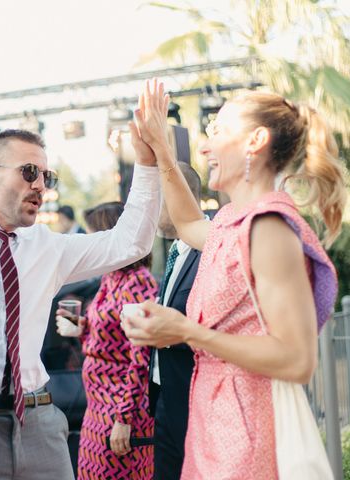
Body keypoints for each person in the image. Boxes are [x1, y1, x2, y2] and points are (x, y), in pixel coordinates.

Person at [0, 126, 160, 480]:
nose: (40, 185)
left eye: (45, 176)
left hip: (39, 421)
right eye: (29, 172)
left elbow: (131, 243)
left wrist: (147, 164)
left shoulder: (46, 245)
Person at [123, 80, 345, 478]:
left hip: (249, 436)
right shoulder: (231, 221)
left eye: (217, 133)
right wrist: (161, 152)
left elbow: (298, 360)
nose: (205, 148)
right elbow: (189, 221)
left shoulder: (270, 228)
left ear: (255, 141)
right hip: (213, 424)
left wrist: (188, 331)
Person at [55, 201, 158, 480]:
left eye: (96, 235)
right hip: (96, 406)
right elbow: (109, 332)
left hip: (119, 408)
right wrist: (82, 327)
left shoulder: (138, 281)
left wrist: (124, 419)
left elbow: (141, 356)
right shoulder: (111, 277)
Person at [148, 163, 202, 480]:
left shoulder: (210, 250)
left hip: (194, 399)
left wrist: (168, 331)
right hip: (165, 397)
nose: (150, 211)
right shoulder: (175, 252)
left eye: (155, 201)